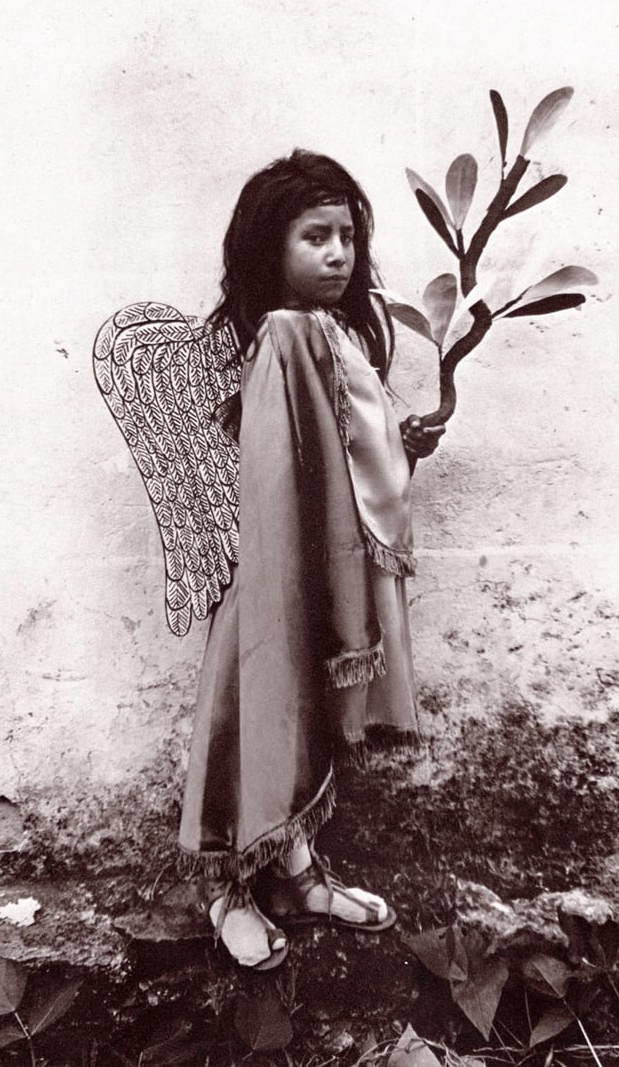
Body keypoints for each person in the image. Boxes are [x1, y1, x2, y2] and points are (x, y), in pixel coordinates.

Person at [177, 149, 444, 969]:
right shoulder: (285, 336)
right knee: (258, 710)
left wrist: (398, 444)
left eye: (347, 237)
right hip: (276, 565)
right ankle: (223, 885)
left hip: (310, 558)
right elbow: (276, 462)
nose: (337, 254)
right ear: (272, 250)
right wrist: (290, 569)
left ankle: (294, 872)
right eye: (314, 236)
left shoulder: (325, 332)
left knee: (301, 717)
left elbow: (342, 450)